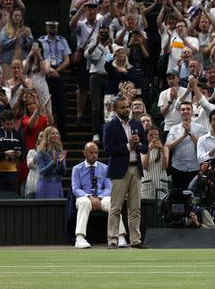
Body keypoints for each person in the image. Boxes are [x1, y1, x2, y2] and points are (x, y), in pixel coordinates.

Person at [103, 96, 148, 248]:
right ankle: (113, 239)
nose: (127, 110)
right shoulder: (109, 126)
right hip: (119, 170)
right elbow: (108, 150)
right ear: (115, 109)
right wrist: (128, 146)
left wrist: (139, 144)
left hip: (136, 168)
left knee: (135, 208)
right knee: (116, 207)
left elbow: (145, 148)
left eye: (127, 107)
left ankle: (135, 240)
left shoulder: (137, 124)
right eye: (123, 107)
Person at [71, 142, 127, 248]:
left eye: (96, 152)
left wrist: (99, 197)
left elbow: (108, 188)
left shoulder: (105, 168)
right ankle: (80, 237)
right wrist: (89, 196)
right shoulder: (77, 169)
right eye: (91, 152)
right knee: (84, 202)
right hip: (85, 197)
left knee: (112, 202)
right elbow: (75, 189)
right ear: (85, 153)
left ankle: (119, 236)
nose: (94, 155)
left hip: (102, 197)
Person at [0, 110, 25, 194]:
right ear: (2, 122)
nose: (10, 126)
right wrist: (4, 154)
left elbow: (24, 152)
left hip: (13, 173)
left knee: (12, 198)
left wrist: (19, 154)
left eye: (12, 124)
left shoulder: (18, 135)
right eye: (7, 124)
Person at [140, 124, 170, 200]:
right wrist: (149, 149)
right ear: (146, 137)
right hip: (148, 183)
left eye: (156, 135)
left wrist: (162, 150)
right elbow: (144, 166)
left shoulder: (165, 148)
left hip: (161, 183)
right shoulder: (143, 149)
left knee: (161, 207)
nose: (154, 137)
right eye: (151, 135)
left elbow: (165, 166)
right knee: (147, 207)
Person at [35, 126, 66, 198]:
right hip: (45, 185)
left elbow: (63, 172)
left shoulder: (60, 151)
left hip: (57, 185)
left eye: (57, 133)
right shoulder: (41, 151)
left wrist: (61, 164)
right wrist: (53, 163)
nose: (56, 135)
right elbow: (42, 172)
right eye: (53, 133)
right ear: (47, 136)